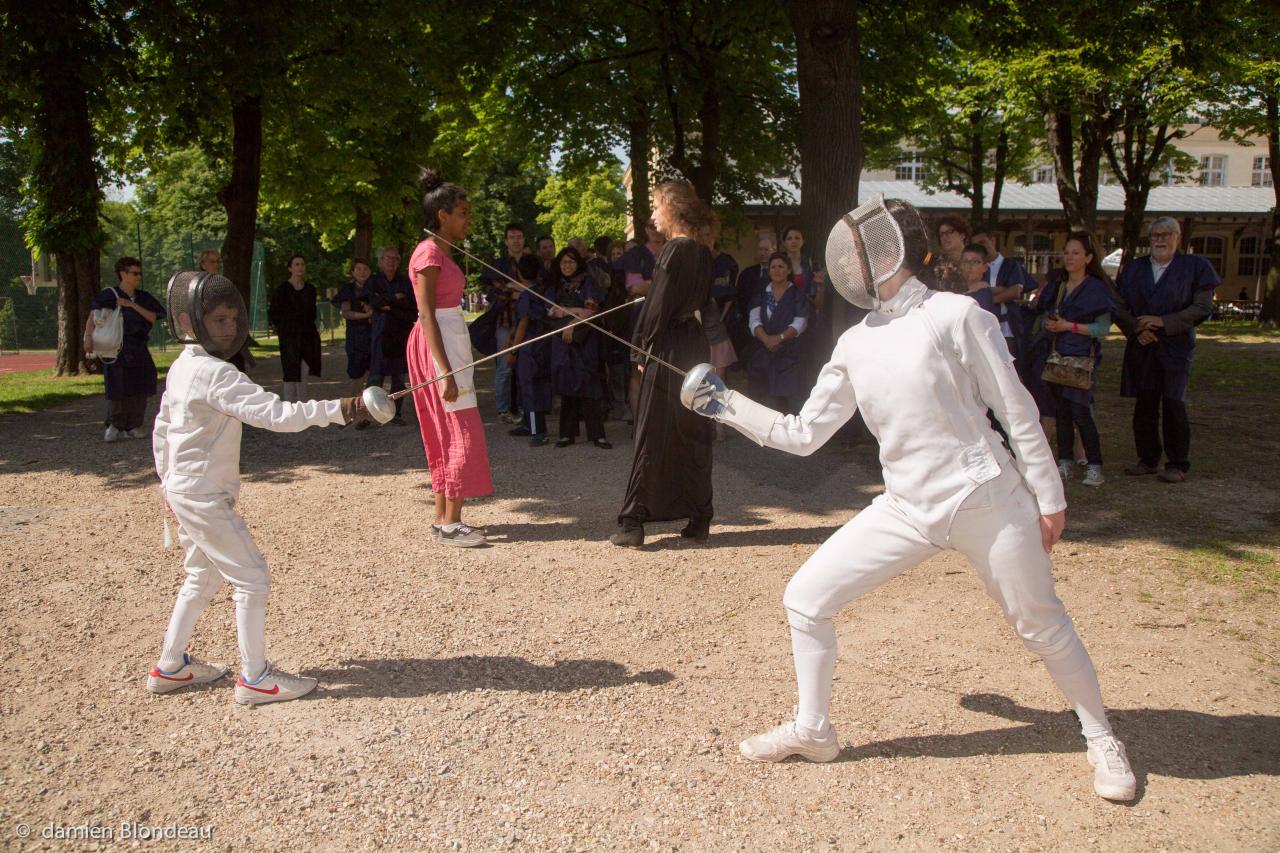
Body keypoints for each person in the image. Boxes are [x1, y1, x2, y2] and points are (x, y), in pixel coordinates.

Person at [680, 196, 1137, 803]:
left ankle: (1100, 732)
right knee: (806, 598)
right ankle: (814, 729)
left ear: (891, 249)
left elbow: (1016, 407)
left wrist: (1048, 497)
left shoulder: (956, 315)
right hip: (906, 508)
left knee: (1040, 624)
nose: (853, 261)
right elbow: (802, 435)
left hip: (985, 497)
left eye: (864, 248)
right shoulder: (855, 343)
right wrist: (725, 404)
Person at [147, 270, 375, 705]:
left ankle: (170, 666)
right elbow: (277, 416)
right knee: (251, 579)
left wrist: (167, 484)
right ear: (190, 322)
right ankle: (255, 678)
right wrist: (345, 408)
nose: (230, 327)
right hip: (200, 494)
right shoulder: (216, 375)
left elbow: (162, 431)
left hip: (184, 488)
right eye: (218, 320)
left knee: (202, 575)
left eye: (233, 318)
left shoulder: (184, 367)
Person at [612, 181, 714, 548]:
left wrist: (640, 351)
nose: (653, 216)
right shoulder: (703, 251)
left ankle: (632, 522)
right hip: (692, 345)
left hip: (668, 345)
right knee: (693, 430)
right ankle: (700, 517)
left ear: (673, 208)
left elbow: (658, 307)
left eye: (656, 207)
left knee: (651, 432)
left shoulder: (674, 249)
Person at [406, 169, 493, 547]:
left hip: (446, 338)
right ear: (442, 214)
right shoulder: (428, 253)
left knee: (448, 429)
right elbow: (426, 312)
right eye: (462, 212)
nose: (467, 219)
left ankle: (443, 518)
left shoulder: (441, 251)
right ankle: (452, 523)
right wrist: (445, 371)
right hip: (437, 342)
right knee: (461, 429)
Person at [1113, 217, 1219, 483]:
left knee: (1173, 403)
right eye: (1154, 235)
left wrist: (1164, 322)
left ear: (1178, 237)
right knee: (1145, 404)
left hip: (1176, 345)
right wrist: (1137, 328)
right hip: (1142, 343)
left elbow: (1202, 307)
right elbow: (1118, 305)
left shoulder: (1195, 267)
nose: (1159, 240)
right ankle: (1147, 459)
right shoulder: (1134, 269)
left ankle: (1177, 463)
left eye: (1165, 234)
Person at [1031, 232, 1114, 487]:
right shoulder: (1059, 286)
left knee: (1081, 412)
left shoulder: (1097, 289)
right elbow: (1044, 316)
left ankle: (1094, 466)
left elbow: (1102, 328)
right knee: (1062, 412)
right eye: (1067, 252)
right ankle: (1064, 461)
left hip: (1081, 358)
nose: (1069, 257)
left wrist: (1070, 326)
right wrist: (1052, 324)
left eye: (1076, 252)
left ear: (1088, 257)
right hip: (1057, 356)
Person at [85, 257, 167, 441]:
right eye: (134, 273)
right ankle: (115, 425)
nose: (139, 276)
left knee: (142, 384)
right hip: (117, 348)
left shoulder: (143, 297)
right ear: (123, 274)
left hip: (138, 346)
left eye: (139, 273)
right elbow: (93, 315)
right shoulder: (110, 294)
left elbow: (154, 317)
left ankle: (134, 425)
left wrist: (132, 305)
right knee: (117, 385)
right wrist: (87, 337)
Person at [548, 247, 611, 449]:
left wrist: (570, 321)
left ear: (578, 263)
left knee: (589, 383)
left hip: (585, 339)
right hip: (562, 340)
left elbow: (591, 311)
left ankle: (598, 435)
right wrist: (571, 315)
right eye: (564, 262)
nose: (567, 266)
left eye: (571, 262)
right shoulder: (554, 285)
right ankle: (566, 434)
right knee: (567, 384)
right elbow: (550, 311)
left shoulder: (588, 282)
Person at [616, 219, 667, 422]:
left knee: (665, 369)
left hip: (669, 319)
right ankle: (639, 425)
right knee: (638, 370)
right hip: (641, 320)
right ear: (646, 229)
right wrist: (664, 284)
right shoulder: (636, 254)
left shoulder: (674, 249)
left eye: (659, 225)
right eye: (652, 227)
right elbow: (635, 288)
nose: (656, 230)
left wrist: (650, 284)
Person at [747, 252, 810, 414]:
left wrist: (780, 338)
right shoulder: (762, 294)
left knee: (794, 403)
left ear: (788, 270)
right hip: (764, 355)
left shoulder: (796, 293)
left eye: (781, 266)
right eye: (773, 267)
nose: (776, 270)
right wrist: (766, 339)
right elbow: (753, 319)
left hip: (790, 355)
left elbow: (800, 322)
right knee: (768, 405)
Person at [479, 224, 526, 424]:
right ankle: (503, 409)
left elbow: (537, 289)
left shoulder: (531, 262)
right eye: (512, 237)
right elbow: (497, 291)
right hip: (505, 322)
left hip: (527, 321)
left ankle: (525, 407)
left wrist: (514, 289)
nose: (516, 241)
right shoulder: (498, 265)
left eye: (519, 237)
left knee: (525, 366)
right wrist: (518, 289)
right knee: (504, 367)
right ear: (506, 241)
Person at [971, 224, 1038, 358]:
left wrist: (986, 299)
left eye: (983, 242)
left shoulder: (1010, 264)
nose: (981, 247)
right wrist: (1000, 290)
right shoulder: (976, 267)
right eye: (977, 245)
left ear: (993, 241)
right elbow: (972, 290)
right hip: (982, 329)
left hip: (1006, 329)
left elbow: (1014, 291)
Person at [367, 246, 416, 426]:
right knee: (375, 377)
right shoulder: (373, 281)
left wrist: (388, 303)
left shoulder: (405, 282)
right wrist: (395, 299)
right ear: (380, 261)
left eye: (395, 258)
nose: (391, 262)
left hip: (401, 334)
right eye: (387, 258)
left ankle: (395, 414)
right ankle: (368, 414)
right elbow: (374, 302)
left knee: (399, 378)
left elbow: (411, 309)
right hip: (380, 335)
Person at [508, 255, 552, 446]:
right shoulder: (543, 291)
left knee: (531, 388)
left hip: (529, 346)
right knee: (530, 385)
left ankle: (538, 430)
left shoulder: (527, 296)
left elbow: (523, 323)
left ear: (519, 273)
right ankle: (528, 423)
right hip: (541, 345)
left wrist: (513, 350)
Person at [267, 255, 322, 402]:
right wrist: (284, 330)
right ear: (290, 268)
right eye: (296, 264)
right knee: (291, 372)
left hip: (307, 337)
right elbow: (274, 313)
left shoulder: (310, 289)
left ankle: (302, 406)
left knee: (303, 373)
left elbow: (312, 313)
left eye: (302, 264)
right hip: (289, 338)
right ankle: (288, 406)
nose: (300, 267)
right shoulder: (282, 290)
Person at [331, 257, 375, 403]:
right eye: (358, 269)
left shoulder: (376, 287)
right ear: (353, 272)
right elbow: (346, 312)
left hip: (373, 335)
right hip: (356, 337)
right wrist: (366, 315)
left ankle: (372, 409)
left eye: (365, 269)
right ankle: (356, 408)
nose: (362, 272)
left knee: (373, 375)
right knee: (357, 375)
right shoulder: (348, 289)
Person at [733, 234, 777, 363]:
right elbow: (740, 298)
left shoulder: (780, 272)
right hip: (750, 327)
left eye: (766, 249)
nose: (763, 253)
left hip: (774, 325)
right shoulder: (747, 273)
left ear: (773, 250)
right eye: (760, 249)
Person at [928, 214, 971, 292]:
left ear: (962, 235)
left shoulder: (976, 259)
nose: (945, 237)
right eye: (942, 234)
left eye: (950, 232)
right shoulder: (937, 265)